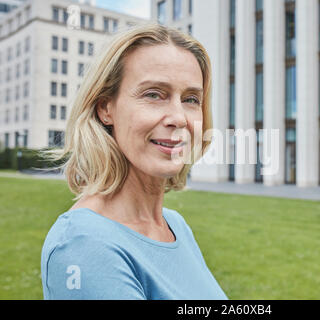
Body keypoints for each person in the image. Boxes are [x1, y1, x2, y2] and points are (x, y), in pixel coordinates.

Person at [40, 23, 228, 300]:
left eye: (190, 99)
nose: (179, 118)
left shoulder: (175, 226)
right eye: (153, 94)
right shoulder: (83, 245)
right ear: (106, 108)